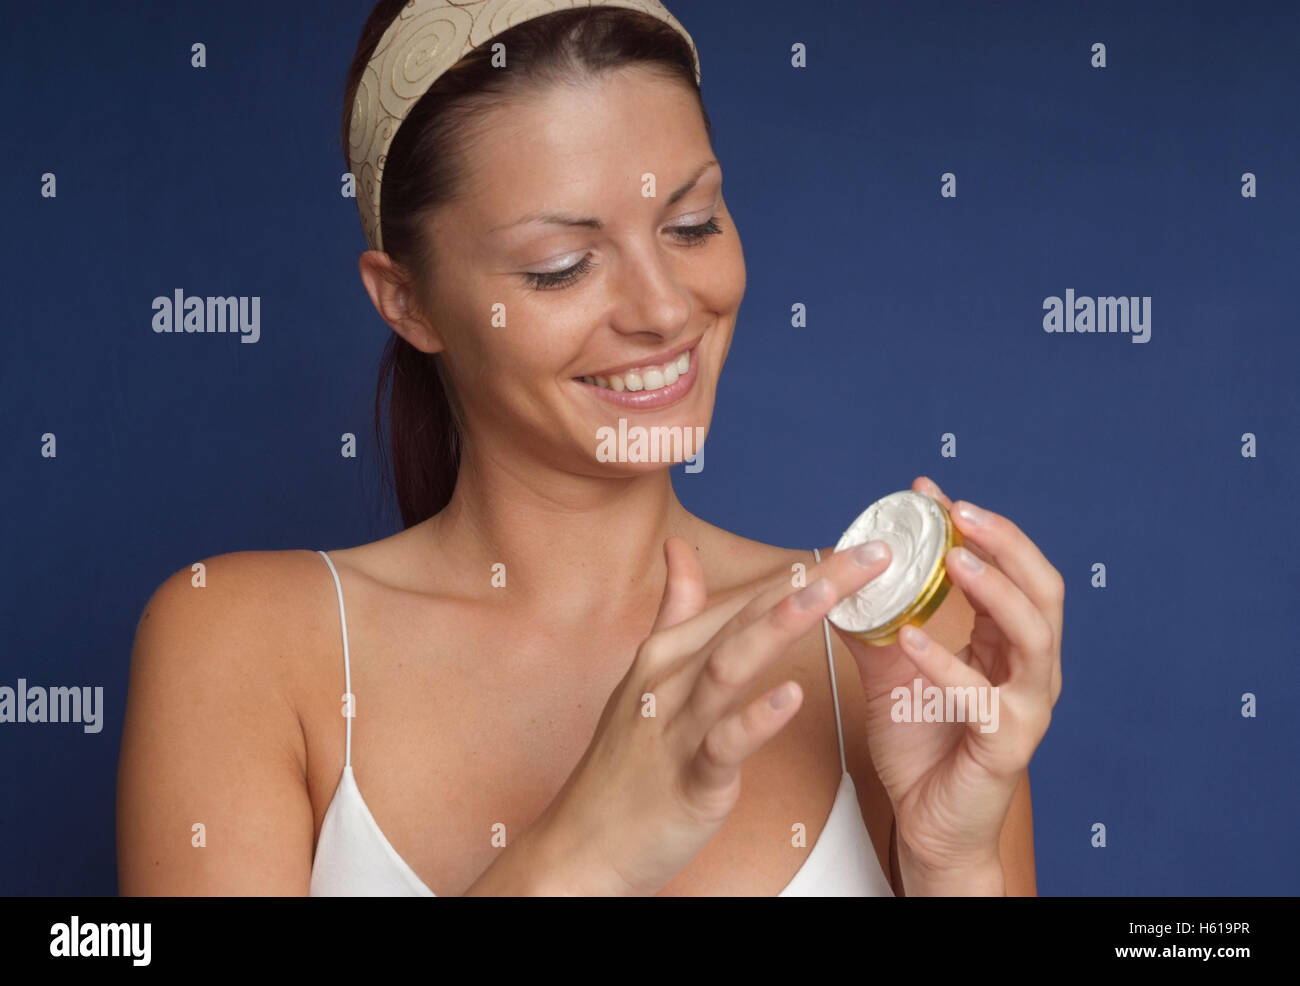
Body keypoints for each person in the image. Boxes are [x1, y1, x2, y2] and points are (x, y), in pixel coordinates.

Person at [117, 0, 1062, 896]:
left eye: (692, 225)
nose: (663, 310)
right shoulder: (242, 646)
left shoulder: (894, 651)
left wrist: (955, 868)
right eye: (561, 267)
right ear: (405, 300)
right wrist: (585, 853)